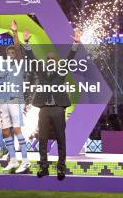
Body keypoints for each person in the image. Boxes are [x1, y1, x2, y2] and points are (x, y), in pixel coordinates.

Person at [26, 28, 82, 181]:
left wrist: (75, 43)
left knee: (61, 139)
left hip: (58, 108)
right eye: (48, 59)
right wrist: (26, 43)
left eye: (53, 59)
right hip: (43, 109)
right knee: (42, 139)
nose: (50, 61)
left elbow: (70, 58)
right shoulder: (42, 73)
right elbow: (31, 59)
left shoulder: (61, 72)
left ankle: (61, 169)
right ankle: (43, 167)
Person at [0, 20, 30, 174]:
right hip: (4, 101)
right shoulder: (5, 68)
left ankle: (25, 160)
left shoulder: (20, 64)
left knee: (17, 129)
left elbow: (18, 49)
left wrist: (15, 33)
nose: (11, 55)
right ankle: (12, 160)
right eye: (9, 53)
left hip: (16, 100)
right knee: (6, 131)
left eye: (13, 53)